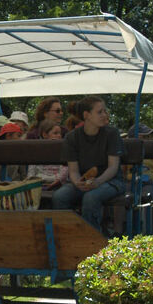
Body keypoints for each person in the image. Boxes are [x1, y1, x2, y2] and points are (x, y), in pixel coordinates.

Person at [52, 97, 125, 232]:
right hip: (85, 181)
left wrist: (98, 181)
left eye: (105, 111)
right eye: (99, 112)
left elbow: (113, 167)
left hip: (112, 181)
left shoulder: (112, 134)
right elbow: (73, 170)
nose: (104, 115)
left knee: (91, 197)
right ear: (87, 115)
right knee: (60, 197)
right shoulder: (72, 137)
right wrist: (77, 182)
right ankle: (65, 235)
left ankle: (92, 240)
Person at [27, 119, 68, 188]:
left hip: (57, 184)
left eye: (60, 133)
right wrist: (31, 181)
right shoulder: (37, 151)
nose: (59, 136)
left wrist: (57, 181)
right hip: (38, 185)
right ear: (45, 135)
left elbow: (64, 172)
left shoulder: (62, 151)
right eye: (55, 133)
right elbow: (31, 172)